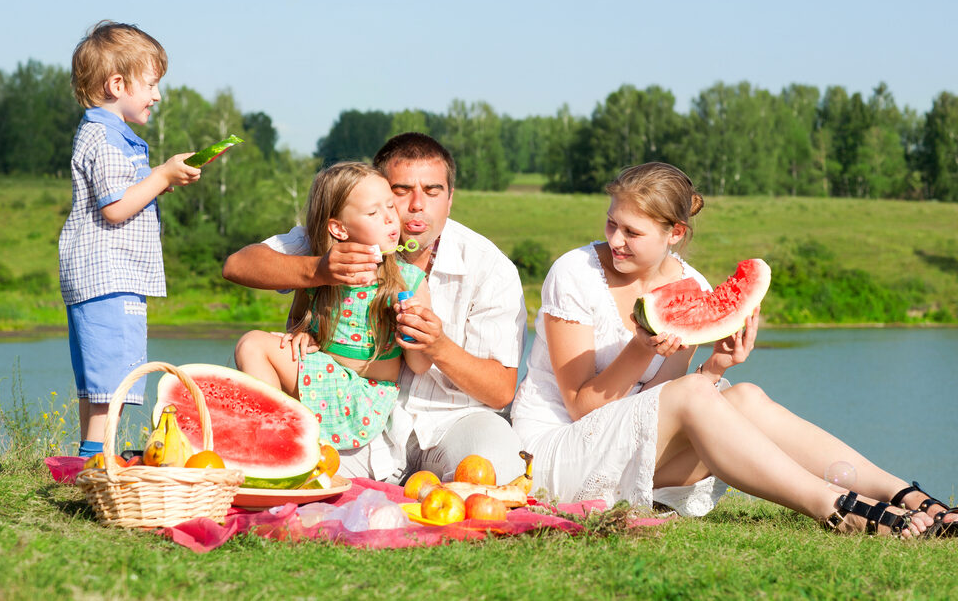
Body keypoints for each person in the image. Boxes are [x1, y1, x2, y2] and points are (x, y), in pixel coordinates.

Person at [510, 162, 956, 538]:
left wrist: (716, 364)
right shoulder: (575, 272)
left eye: (632, 231)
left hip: (638, 449)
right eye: (612, 223)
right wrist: (640, 348)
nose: (615, 240)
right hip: (554, 453)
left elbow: (662, 401)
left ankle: (910, 497)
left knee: (746, 395)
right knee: (704, 393)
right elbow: (582, 407)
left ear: (675, 233)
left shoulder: (693, 287)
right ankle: (837, 509)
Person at [226, 133, 527, 483]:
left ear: (450, 199)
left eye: (432, 191)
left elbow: (501, 390)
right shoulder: (346, 232)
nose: (416, 205)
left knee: (497, 467)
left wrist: (437, 345)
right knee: (291, 472)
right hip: (351, 412)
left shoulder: (490, 266)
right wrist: (317, 271)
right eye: (400, 191)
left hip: (453, 420)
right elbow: (238, 265)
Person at [60, 21, 201, 457]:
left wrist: (158, 180)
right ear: (117, 84)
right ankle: (97, 461)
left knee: (98, 380)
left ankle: (90, 458)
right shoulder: (105, 137)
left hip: (99, 275)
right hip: (110, 275)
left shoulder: (111, 136)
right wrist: (159, 176)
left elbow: (124, 195)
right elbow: (115, 207)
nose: (156, 95)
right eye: (151, 85)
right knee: (113, 379)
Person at [234, 162, 432, 449]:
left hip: (365, 398)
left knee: (252, 344)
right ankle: (269, 442)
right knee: (251, 344)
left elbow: (421, 365)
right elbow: (297, 325)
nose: (390, 219)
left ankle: (272, 443)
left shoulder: (409, 281)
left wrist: (412, 329)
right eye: (374, 212)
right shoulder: (321, 271)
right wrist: (304, 335)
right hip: (324, 379)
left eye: (391, 206)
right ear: (339, 229)